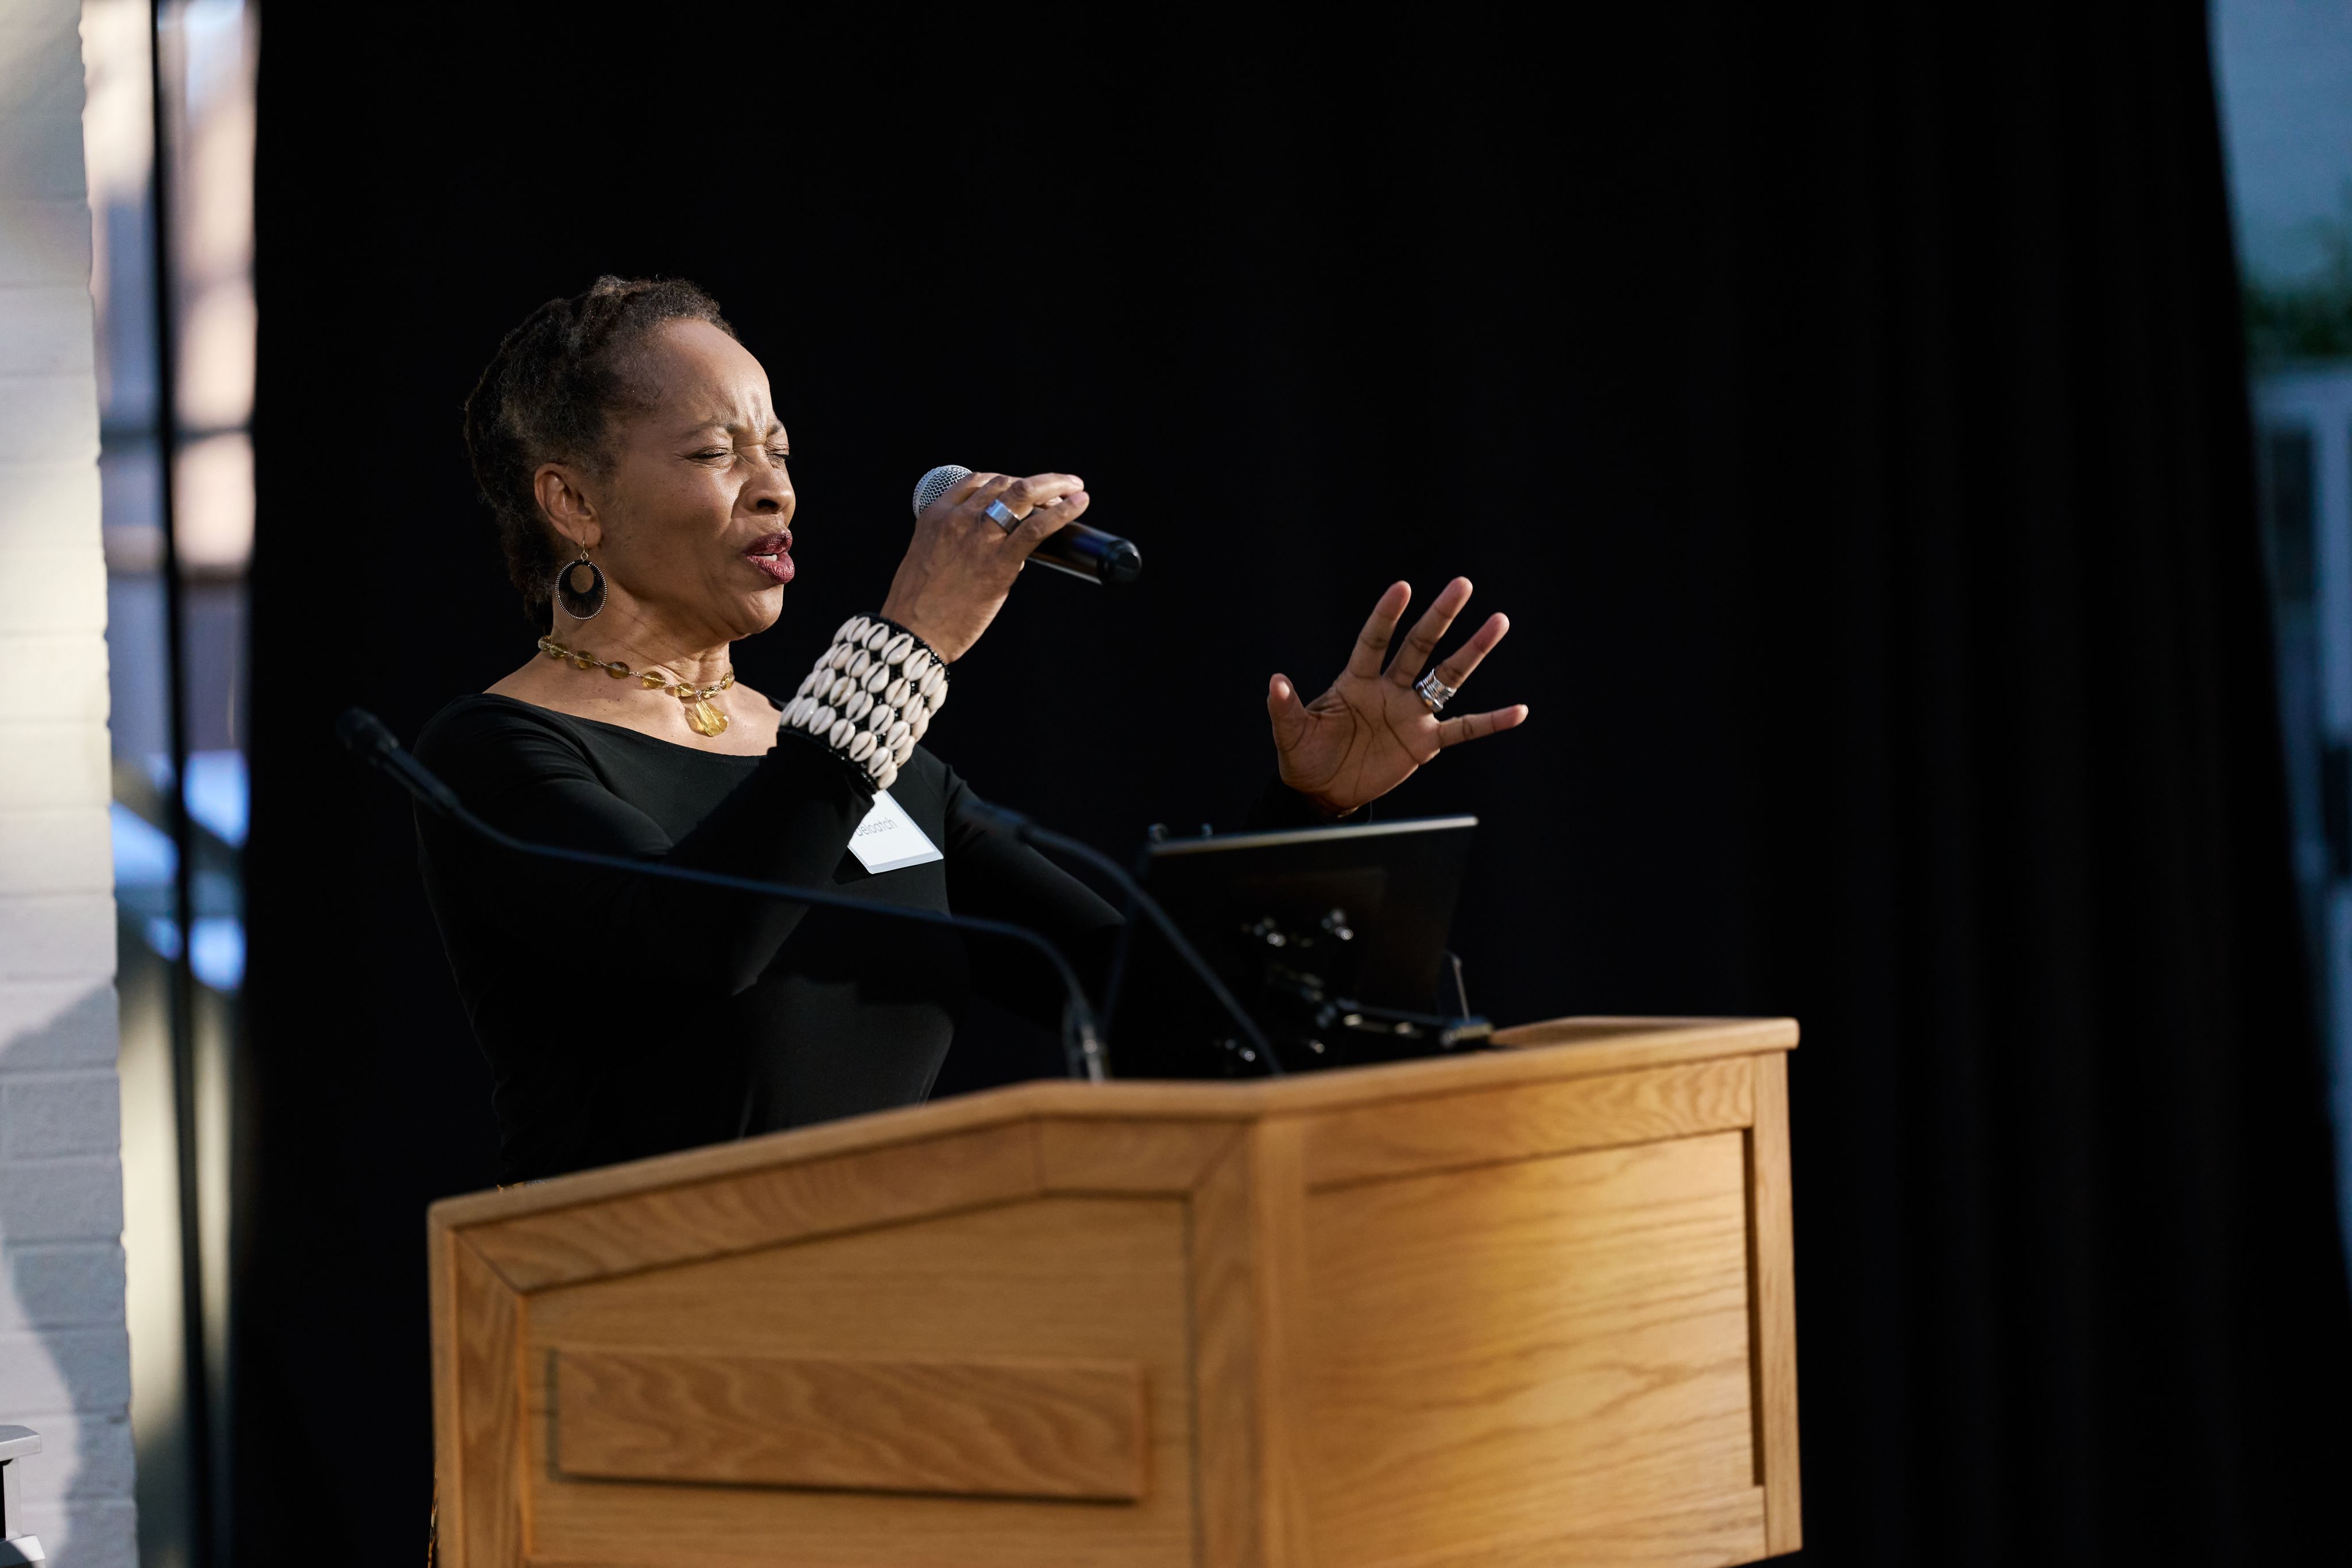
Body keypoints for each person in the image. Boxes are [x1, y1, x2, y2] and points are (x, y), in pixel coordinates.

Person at [415, 276, 1529, 1183]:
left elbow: (1160, 1010)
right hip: (626, 1364)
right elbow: (696, 941)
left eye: (780, 450)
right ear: (573, 503)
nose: (776, 492)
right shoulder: (493, 756)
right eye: (717, 454)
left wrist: (1310, 808)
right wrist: (904, 648)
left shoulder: (864, 762)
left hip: (892, 1344)